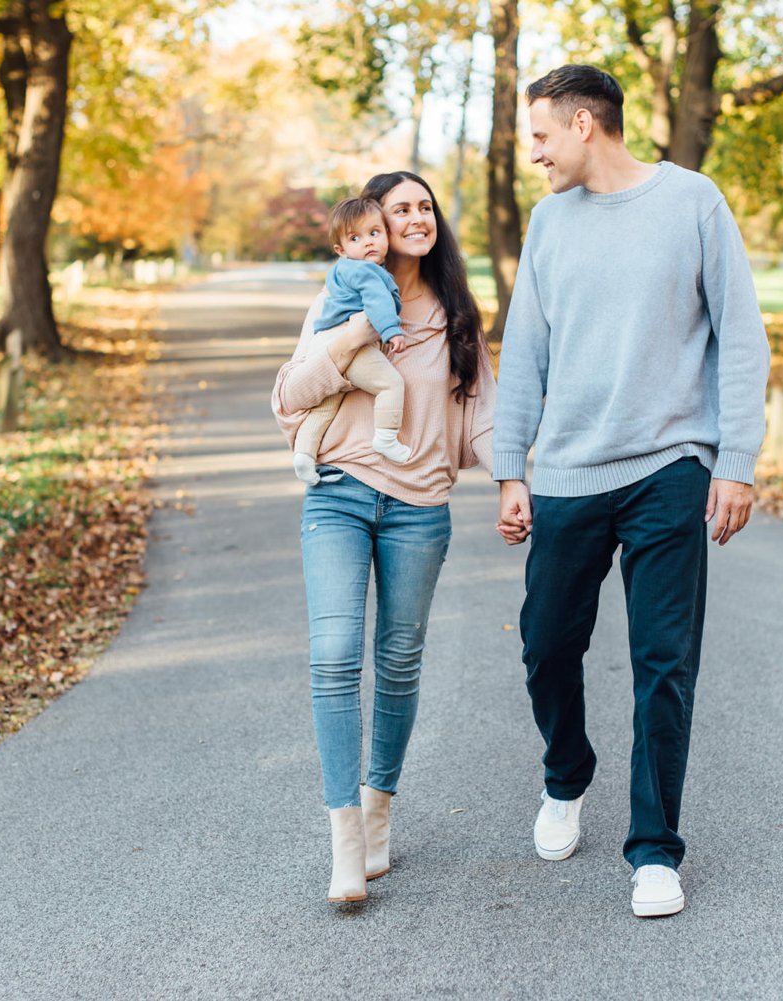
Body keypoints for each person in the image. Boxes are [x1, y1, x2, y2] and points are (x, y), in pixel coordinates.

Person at [493, 65, 771, 918]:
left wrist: (735, 461)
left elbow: (742, 336)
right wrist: (512, 470)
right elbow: (525, 352)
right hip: (571, 473)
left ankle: (654, 849)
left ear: (584, 125)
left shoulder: (693, 203)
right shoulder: (548, 221)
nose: (533, 153)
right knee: (546, 644)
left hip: (670, 468)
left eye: (541, 136)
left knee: (664, 664)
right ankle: (566, 773)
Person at [272, 171, 495, 904]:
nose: (416, 217)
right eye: (400, 208)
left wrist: (517, 481)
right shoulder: (340, 296)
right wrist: (358, 331)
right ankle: (343, 840)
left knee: (397, 662)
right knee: (335, 655)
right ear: (372, 221)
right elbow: (288, 396)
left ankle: (377, 818)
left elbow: (482, 418)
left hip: (419, 508)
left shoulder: (457, 315)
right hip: (336, 495)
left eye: (425, 206)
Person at [291, 196, 413, 486]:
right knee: (391, 384)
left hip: (327, 343)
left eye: (374, 233)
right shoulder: (366, 270)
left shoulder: (339, 271)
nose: (368, 242)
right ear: (341, 249)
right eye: (356, 238)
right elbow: (377, 300)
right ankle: (385, 437)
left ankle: (304, 456)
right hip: (352, 344)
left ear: (386, 233)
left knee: (326, 406)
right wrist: (391, 331)